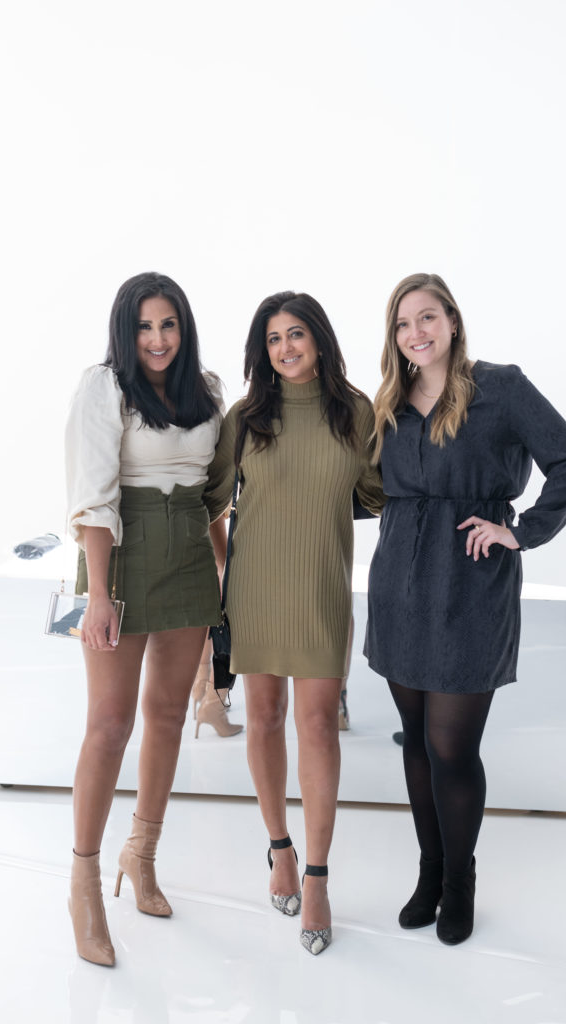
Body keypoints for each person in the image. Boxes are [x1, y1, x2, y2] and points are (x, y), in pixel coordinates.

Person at [365, 273, 566, 946]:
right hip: (397, 585)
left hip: (468, 585)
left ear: (452, 322)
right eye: (404, 323)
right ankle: (429, 874)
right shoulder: (389, 401)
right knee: (414, 741)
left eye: (427, 316)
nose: (417, 332)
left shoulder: (500, 388)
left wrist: (520, 530)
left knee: (451, 746)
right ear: (395, 337)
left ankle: (460, 882)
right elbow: (370, 492)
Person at [205, 291, 384, 954]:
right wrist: (227, 575)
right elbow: (211, 504)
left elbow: (375, 494)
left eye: (296, 334)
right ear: (262, 349)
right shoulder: (246, 416)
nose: (286, 348)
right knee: (265, 719)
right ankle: (277, 845)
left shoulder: (356, 410)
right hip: (253, 589)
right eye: (274, 338)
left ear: (318, 340)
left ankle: (316, 875)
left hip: (320, 589)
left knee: (316, 725)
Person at [65, 272, 228, 966]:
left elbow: (215, 493)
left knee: (166, 718)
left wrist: (227, 573)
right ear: (124, 331)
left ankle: (142, 853)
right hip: (121, 555)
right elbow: (92, 495)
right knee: (109, 724)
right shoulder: (103, 387)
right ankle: (83, 883)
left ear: (183, 329)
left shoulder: (208, 391)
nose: (157, 339)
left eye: (168, 325)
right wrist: (98, 594)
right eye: (144, 326)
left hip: (190, 555)